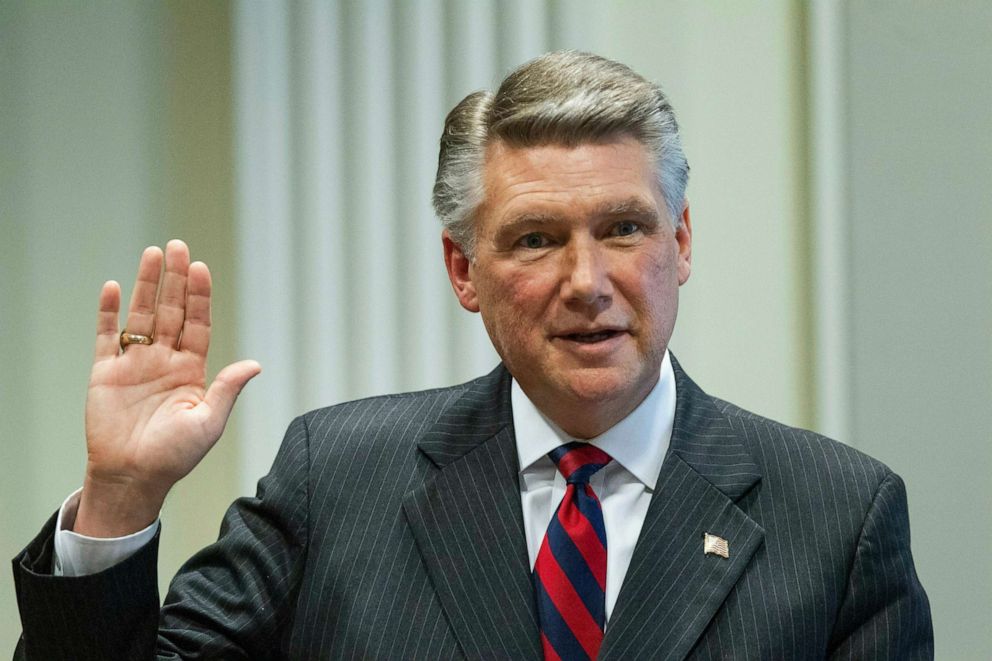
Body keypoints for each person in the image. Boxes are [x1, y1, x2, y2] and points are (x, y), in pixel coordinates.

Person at [13, 51, 932, 660]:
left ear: (681, 242)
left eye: (623, 228)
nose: (588, 280)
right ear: (464, 267)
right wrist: (121, 499)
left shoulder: (840, 518)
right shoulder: (334, 481)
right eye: (535, 238)